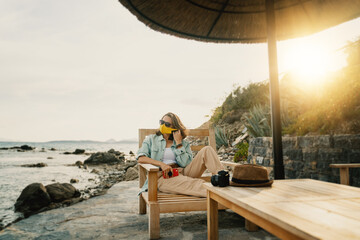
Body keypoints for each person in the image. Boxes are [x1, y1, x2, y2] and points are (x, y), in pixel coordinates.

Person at [137, 112, 224, 197]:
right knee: (192, 184)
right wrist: (161, 164)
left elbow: (185, 164)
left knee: (207, 150)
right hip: (164, 176)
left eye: (167, 124)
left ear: (175, 128)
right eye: (161, 122)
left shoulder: (183, 143)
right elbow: (141, 158)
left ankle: (223, 178)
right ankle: (222, 193)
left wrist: (179, 143)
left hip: (183, 171)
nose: (163, 125)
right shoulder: (151, 139)